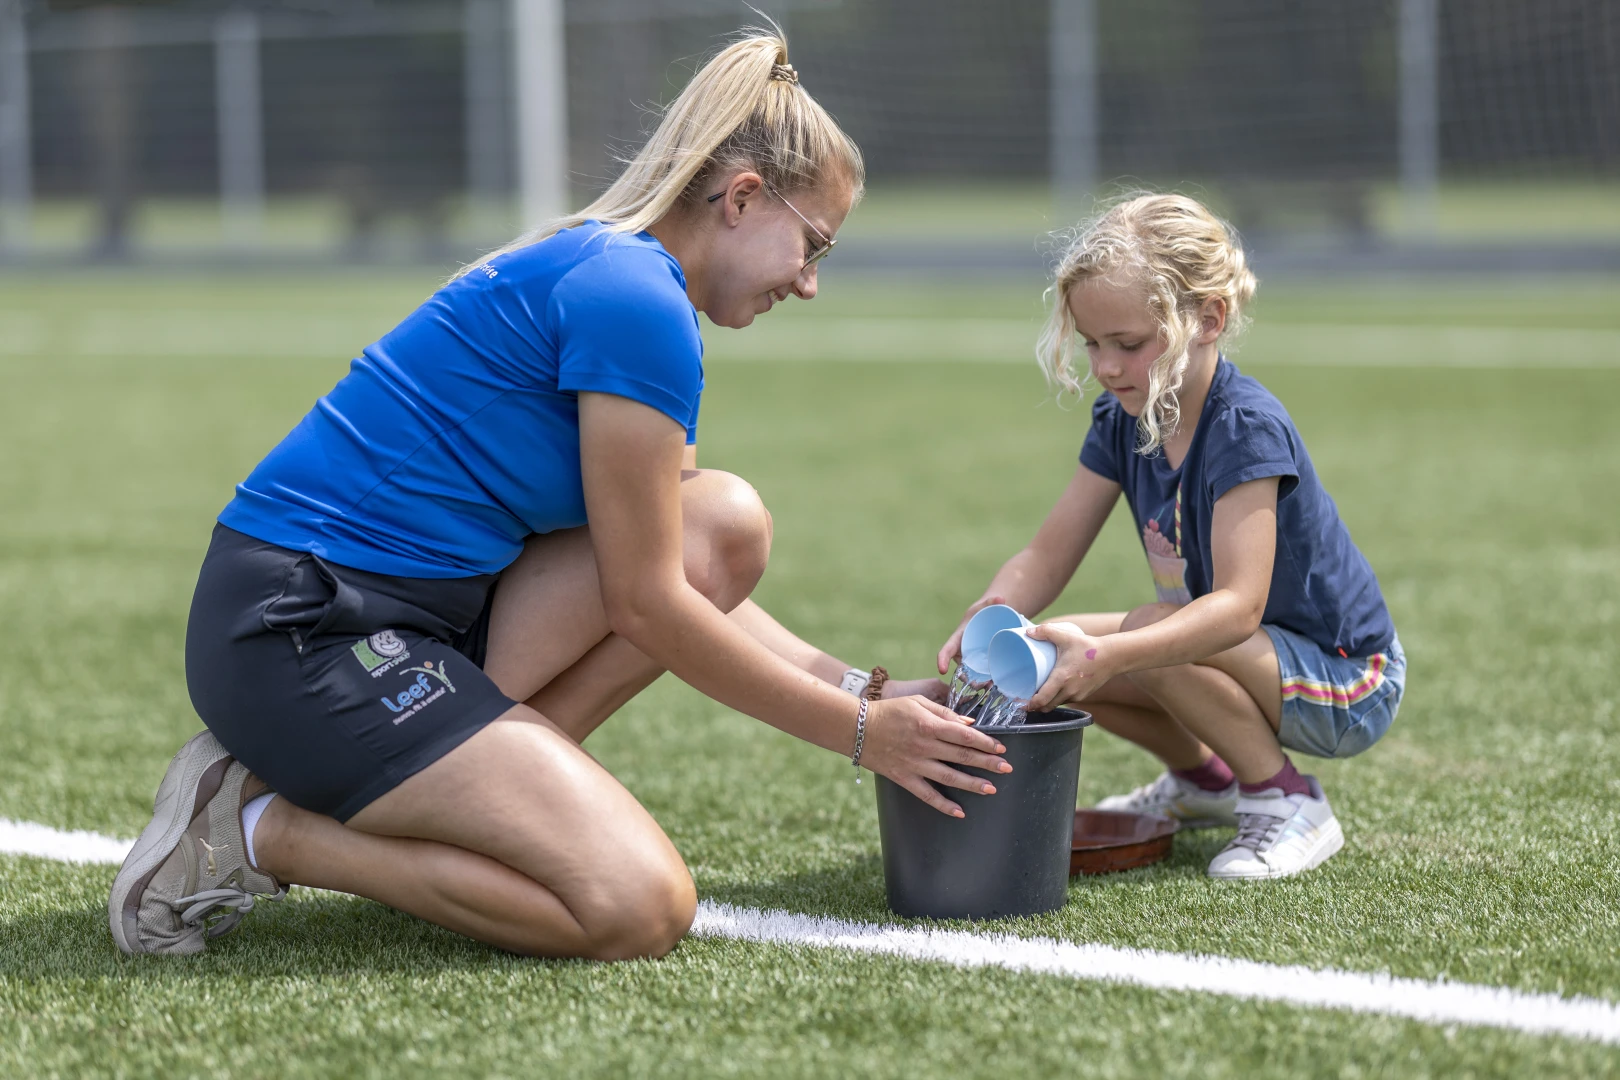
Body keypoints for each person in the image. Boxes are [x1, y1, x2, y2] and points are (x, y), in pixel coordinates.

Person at [110, 30, 1009, 960]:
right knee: (637, 907)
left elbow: (678, 569)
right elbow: (646, 605)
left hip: (414, 619)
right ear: (743, 198)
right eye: (813, 244)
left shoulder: (632, 280)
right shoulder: (636, 301)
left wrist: (870, 689)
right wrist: (863, 732)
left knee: (723, 526)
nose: (811, 282)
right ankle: (258, 826)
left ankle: (446, 807)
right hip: (299, 631)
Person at [937, 193, 1405, 880]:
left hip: (1347, 680)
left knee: (1137, 637)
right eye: (1093, 344)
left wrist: (1114, 650)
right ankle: (1205, 780)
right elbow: (1046, 552)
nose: (1106, 366)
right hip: (1255, 662)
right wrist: (991, 614)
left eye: (1128, 344)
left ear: (1208, 319)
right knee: (1048, 647)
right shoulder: (1121, 419)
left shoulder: (1245, 428)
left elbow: (1239, 608)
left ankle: (1288, 801)